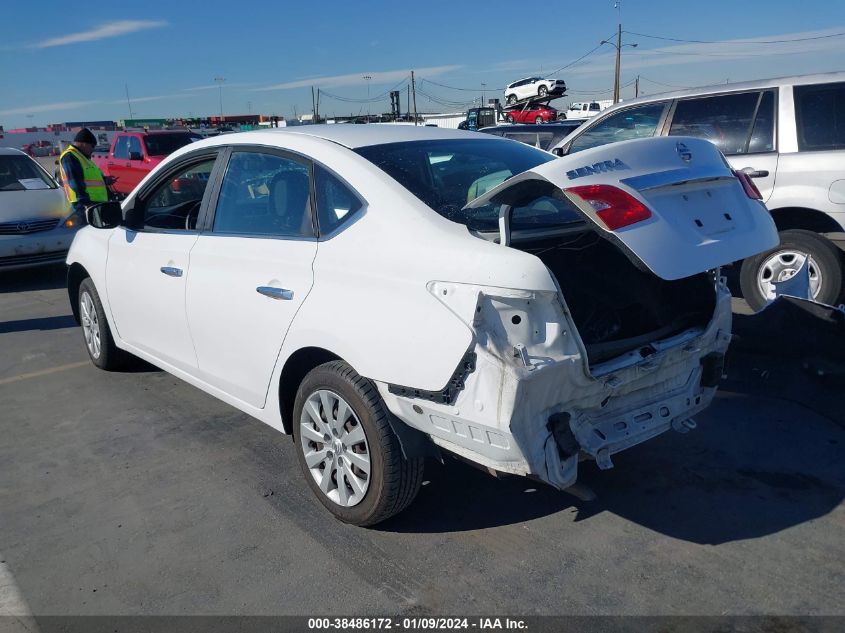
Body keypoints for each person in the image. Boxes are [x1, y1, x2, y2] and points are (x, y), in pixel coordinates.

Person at [58, 128, 112, 213]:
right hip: (84, 203)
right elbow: (75, 182)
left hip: (94, 202)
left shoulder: (83, 157)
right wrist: (85, 202)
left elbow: (90, 178)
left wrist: (105, 180)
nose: (93, 149)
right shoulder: (70, 157)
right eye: (92, 146)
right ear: (84, 144)